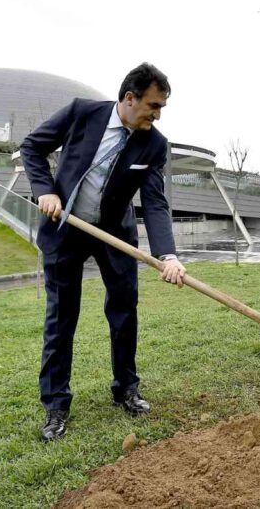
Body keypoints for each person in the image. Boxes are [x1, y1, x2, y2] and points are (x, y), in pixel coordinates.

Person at [20, 63, 187, 443]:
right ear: (129, 99)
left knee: (125, 311)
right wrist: (45, 189)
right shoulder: (82, 112)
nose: (157, 114)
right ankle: (56, 404)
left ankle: (126, 388)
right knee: (62, 317)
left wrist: (168, 255)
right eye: (153, 105)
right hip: (66, 229)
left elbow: (156, 203)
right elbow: (32, 146)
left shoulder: (154, 144)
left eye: (161, 107)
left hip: (115, 235)